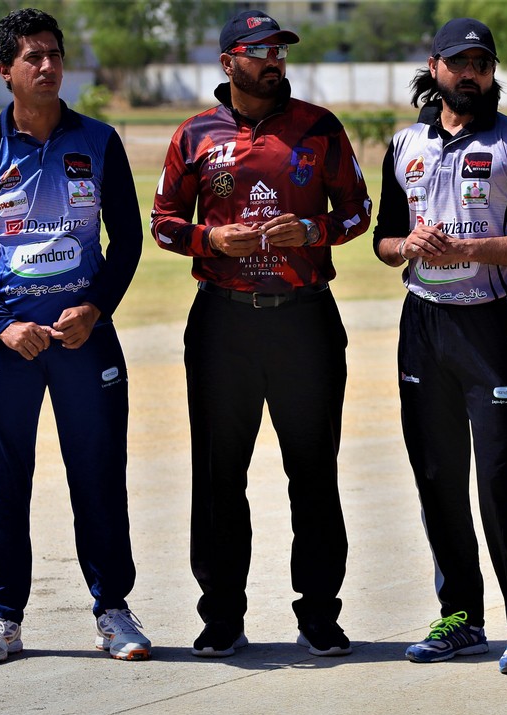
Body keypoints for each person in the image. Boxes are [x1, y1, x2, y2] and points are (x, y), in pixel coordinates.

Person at [151, 10, 372, 659]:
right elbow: (162, 222)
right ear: (228, 62)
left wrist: (314, 230)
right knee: (219, 474)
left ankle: (319, 614)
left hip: (305, 319)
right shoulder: (195, 134)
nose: (274, 61)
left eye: (280, 51)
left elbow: (359, 210)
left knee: (313, 470)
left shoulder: (319, 128)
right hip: (223, 322)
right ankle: (222, 615)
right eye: (260, 51)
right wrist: (210, 238)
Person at [0, 7, 149, 664]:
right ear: (5, 70)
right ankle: (2, 616)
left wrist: (95, 309)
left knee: (98, 474)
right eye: (32, 56)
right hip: (7, 344)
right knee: (1, 482)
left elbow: (127, 241)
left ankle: (113, 610)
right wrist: (3, 325)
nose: (47, 65)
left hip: (84, 341)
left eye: (54, 54)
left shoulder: (99, 140)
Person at [372, 17, 507, 675]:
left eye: (482, 65)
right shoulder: (404, 144)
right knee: (437, 479)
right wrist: (407, 245)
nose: (471, 75)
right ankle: (460, 617)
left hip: (489, 328)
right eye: (459, 63)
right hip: (422, 327)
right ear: (435, 68)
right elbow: (383, 240)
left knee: (495, 482)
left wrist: (474, 248)